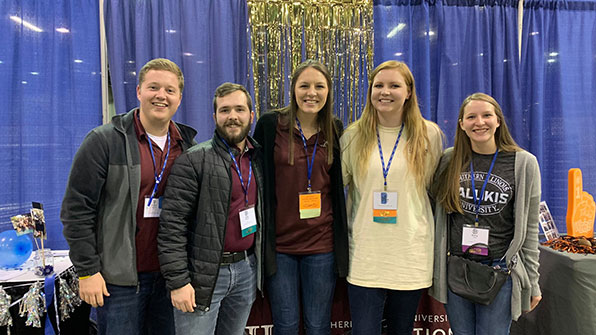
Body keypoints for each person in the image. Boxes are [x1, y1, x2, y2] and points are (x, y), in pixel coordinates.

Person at [61, 58, 196, 335]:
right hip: (119, 282)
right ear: (138, 92)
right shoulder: (104, 141)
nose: (161, 95)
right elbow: (77, 210)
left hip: (170, 278)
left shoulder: (186, 145)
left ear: (180, 98)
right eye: (153, 87)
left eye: (170, 90)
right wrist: (87, 270)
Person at [340, 60, 443, 335]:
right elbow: (335, 191)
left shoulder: (428, 135)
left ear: (408, 92)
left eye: (394, 85)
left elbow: (432, 193)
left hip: (409, 254)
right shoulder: (352, 136)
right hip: (365, 255)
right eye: (379, 85)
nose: (385, 92)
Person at [429, 93, 542, 334]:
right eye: (471, 117)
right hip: (457, 270)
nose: (479, 122)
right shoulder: (449, 160)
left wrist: (532, 282)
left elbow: (530, 230)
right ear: (461, 124)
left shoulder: (523, 163)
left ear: (498, 121)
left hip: (499, 273)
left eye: (486, 115)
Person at [158, 82, 264, 335]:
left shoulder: (257, 158)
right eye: (225, 110)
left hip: (246, 270)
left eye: (239, 109)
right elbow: (172, 226)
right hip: (202, 276)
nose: (232, 117)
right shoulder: (194, 160)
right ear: (215, 116)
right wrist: (179, 282)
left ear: (251, 115)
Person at [253, 59, 349, 335]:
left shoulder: (335, 128)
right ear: (292, 89)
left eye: (319, 86)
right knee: (285, 325)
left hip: (321, 246)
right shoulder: (271, 124)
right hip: (280, 246)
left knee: (318, 326)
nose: (311, 93)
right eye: (304, 85)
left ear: (328, 91)